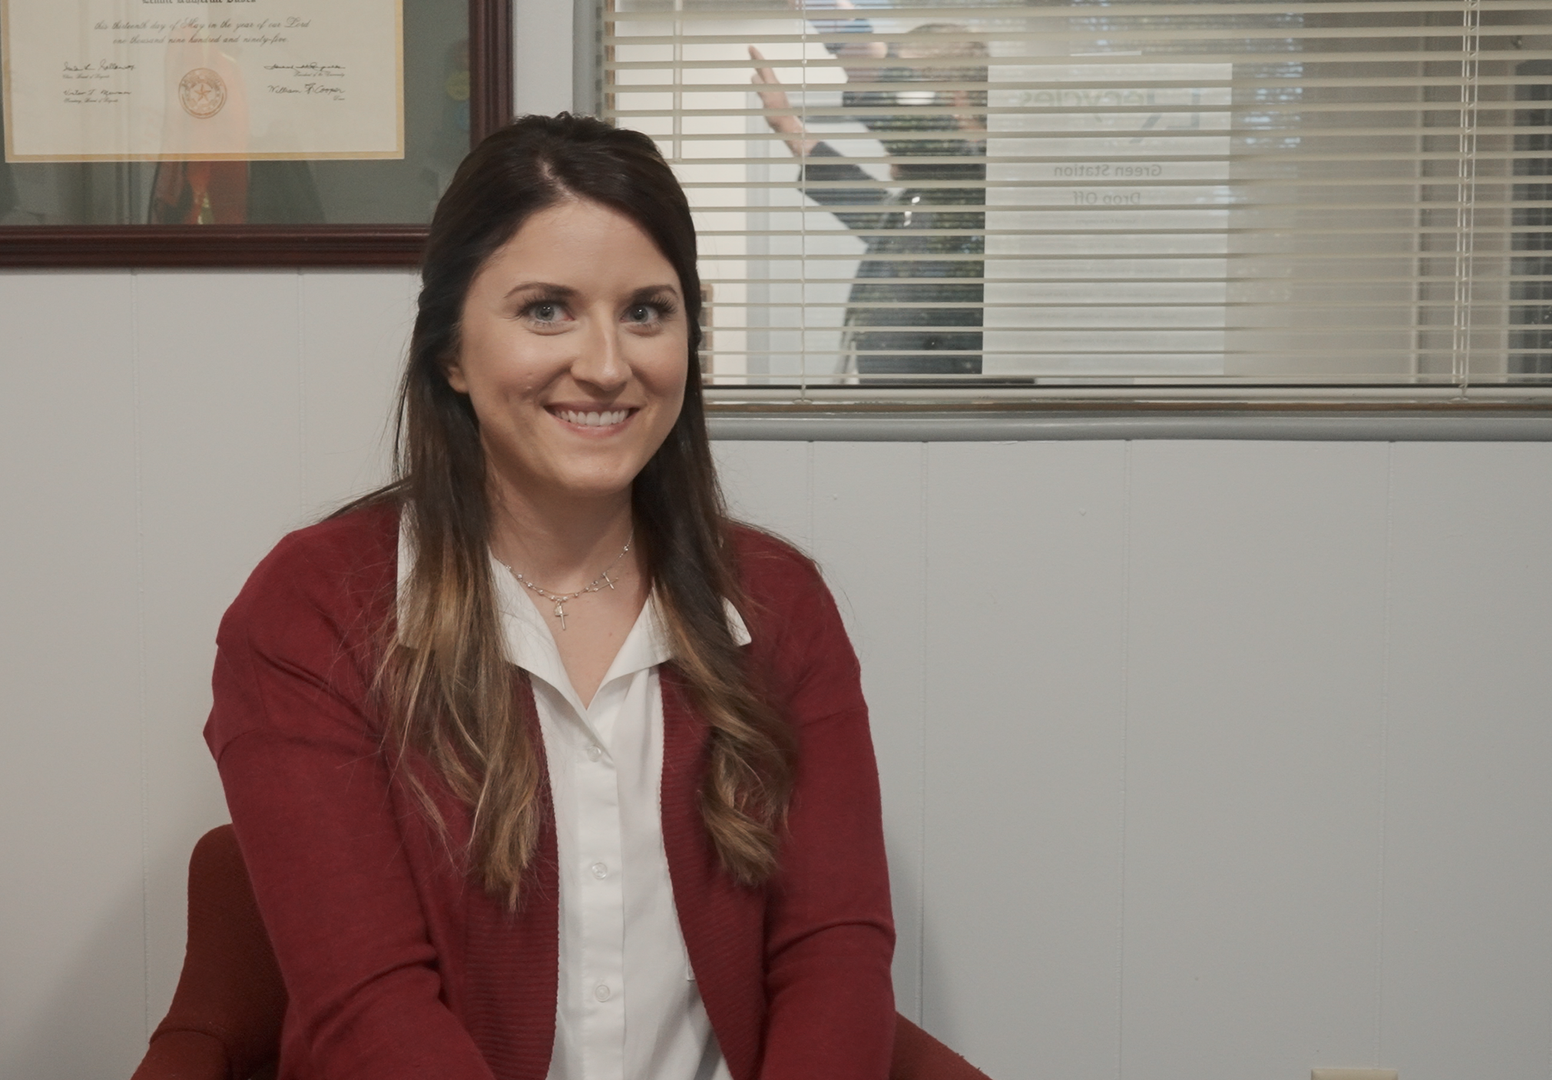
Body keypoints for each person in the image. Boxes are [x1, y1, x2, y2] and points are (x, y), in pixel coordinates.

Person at [204, 113, 896, 1080]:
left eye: (648, 312)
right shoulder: (313, 609)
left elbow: (834, 955)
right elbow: (368, 1008)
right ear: (451, 351)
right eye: (546, 310)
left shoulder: (781, 602)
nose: (608, 365)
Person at [751, 21, 988, 378]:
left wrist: (837, 22)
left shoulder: (977, 181)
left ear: (952, 103)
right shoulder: (934, 199)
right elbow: (875, 212)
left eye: (903, 89)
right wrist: (788, 126)